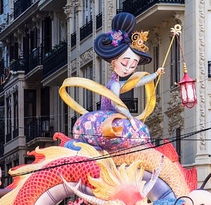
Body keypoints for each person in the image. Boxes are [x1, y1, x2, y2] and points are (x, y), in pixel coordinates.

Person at [68, 12, 164, 152]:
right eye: (125, 63)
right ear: (114, 62)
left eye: (132, 66)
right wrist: (130, 118)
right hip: (107, 121)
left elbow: (138, 82)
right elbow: (116, 104)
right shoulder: (114, 84)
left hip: (110, 120)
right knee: (139, 132)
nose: (128, 69)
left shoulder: (118, 83)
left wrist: (156, 74)